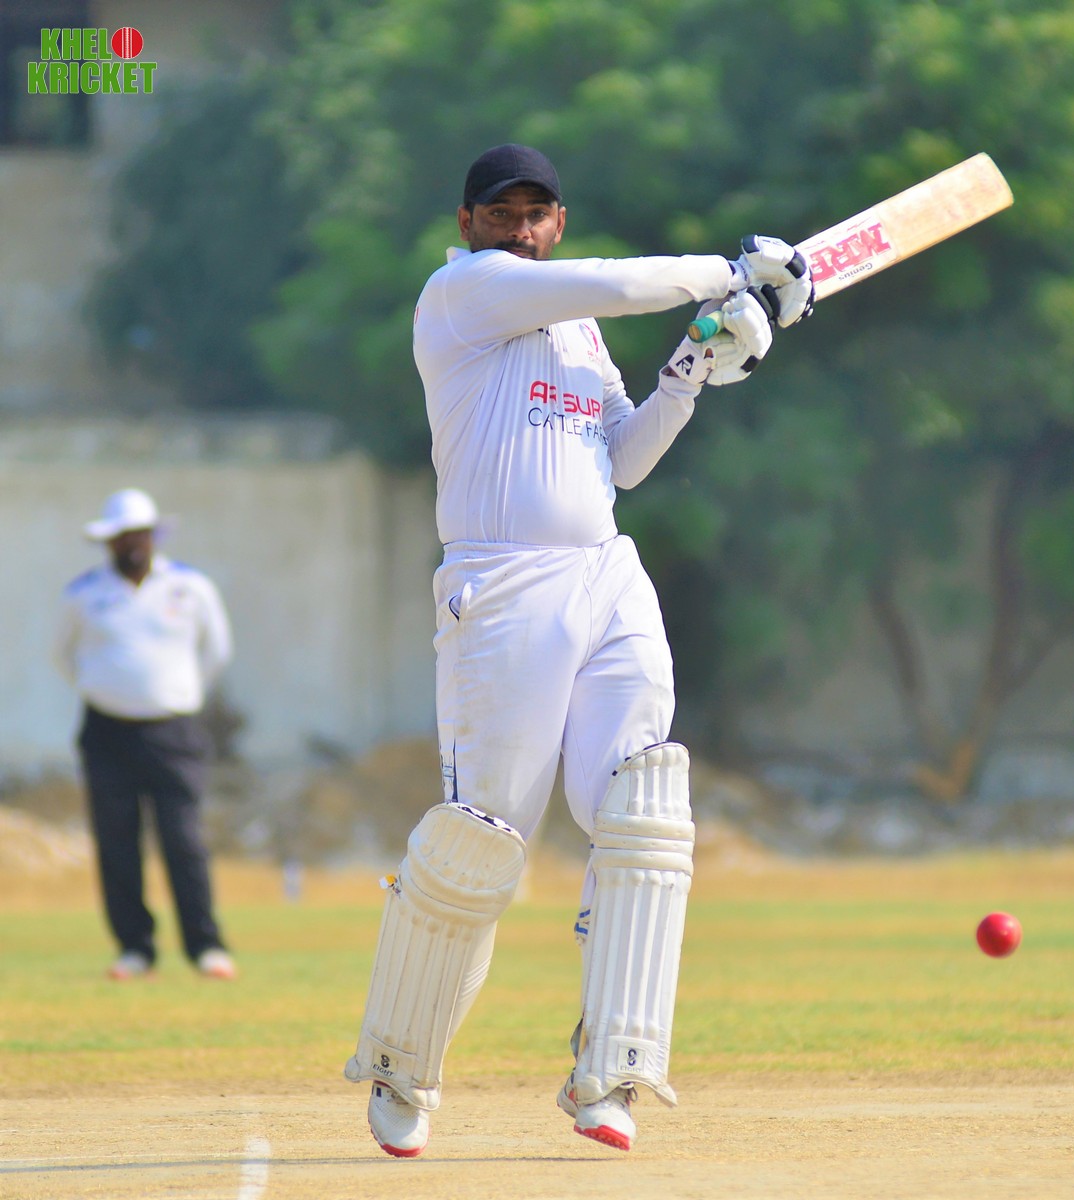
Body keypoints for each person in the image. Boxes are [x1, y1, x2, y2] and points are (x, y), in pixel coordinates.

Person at [344, 143, 813, 1155]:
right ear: (467, 223)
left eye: (537, 213)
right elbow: (615, 281)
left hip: (605, 573)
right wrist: (728, 273)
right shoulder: (464, 293)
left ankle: (612, 1069)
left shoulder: (577, 334)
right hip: (502, 586)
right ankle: (403, 1065)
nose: (520, 229)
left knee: (643, 809)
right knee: (482, 843)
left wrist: (692, 369)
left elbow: (625, 461)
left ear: (558, 219)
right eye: (501, 212)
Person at [53, 487, 236, 982]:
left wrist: (176, 693)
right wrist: (106, 689)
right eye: (122, 536)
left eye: (139, 534)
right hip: (107, 730)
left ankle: (205, 946)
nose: (132, 544)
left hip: (172, 731)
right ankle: (135, 948)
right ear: (108, 542)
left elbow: (216, 651)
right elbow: (63, 656)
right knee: (117, 840)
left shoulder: (189, 587)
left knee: (183, 839)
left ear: (153, 536)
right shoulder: (84, 593)